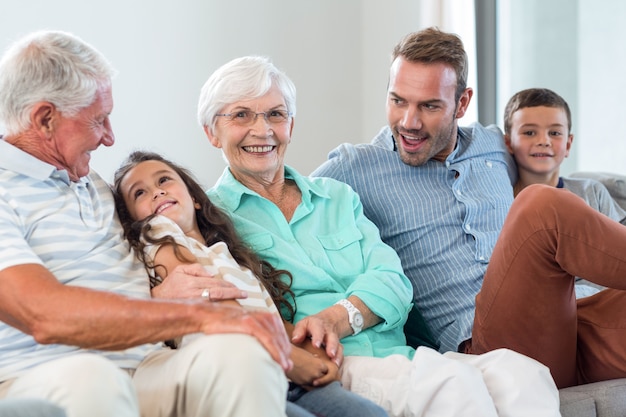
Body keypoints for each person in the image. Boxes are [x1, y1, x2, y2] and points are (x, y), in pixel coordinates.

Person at [181, 54, 562, 416]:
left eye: (275, 115)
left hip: (401, 357)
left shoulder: (336, 197)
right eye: (241, 116)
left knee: (522, 374)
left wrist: (336, 316)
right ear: (211, 132)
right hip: (334, 366)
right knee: (448, 383)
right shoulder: (212, 221)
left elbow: (394, 283)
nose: (261, 130)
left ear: (291, 126)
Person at [312, 26, 626, 390]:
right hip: (487, 345)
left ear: (462, 103)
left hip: (567, 323)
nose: (409, 122)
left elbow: (547, 156)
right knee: (540, 207)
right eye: (398, 101)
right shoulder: (355, 166)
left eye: (429, 106)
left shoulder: (493, 144)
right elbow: (282, 201)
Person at [0, 30, 293, 417]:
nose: (109, 138)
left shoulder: (93, 184)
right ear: (45, 119)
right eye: (99, 120)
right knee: (94, 380)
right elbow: (43, 314)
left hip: (146, 367)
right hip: (40, 375)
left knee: (238, 353)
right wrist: (200, 314)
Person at [112, 150, 389, 417]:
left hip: (280, 369)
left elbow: (270, 319)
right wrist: (293, 360)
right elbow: (211, 299)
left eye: (164, 180)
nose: (157, 192)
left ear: (195, 198)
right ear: (134, 219)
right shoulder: (158, 235)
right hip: (239, 375)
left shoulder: (229, 258)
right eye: (140, 193)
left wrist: (316, 349)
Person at [503, 87, 626, 297]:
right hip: (540, 307)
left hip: (601, 303)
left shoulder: (592, 192)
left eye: (555, 133)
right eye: (529, 132)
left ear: (568, 144)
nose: (544, 140)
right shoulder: (501, 202)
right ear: (509, 143)